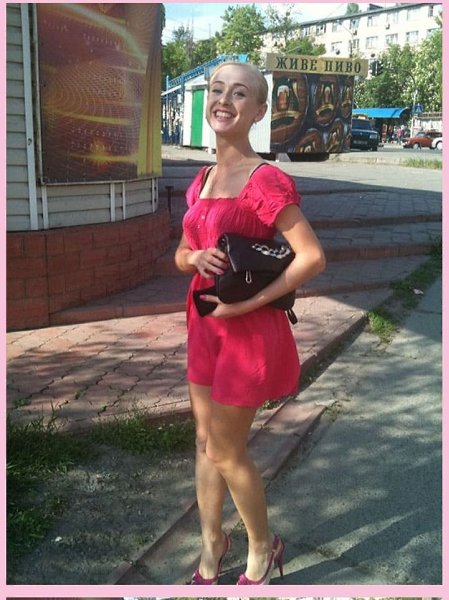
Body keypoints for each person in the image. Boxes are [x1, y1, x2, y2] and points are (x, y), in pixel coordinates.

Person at [174, 61, 326, 585]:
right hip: (204, 324)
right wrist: (194, 258)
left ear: (259, 111)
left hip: (245, 330)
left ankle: (263, 546)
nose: (224, 100)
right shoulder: (202, 179)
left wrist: (247, 304)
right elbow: (182, 253)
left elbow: (311, 257)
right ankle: (212, 545)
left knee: (224, 448)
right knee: (203, 441)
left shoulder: (266, 180)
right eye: (217, 89)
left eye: (239, 93)